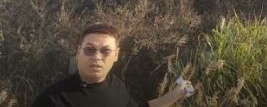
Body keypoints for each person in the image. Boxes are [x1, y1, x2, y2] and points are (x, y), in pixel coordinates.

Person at [31, 23, 194, 107]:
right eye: (89, 50)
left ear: (116, 55)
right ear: (78, 52)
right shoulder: (52, 99)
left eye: (105, 51)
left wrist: (176, 93)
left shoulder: (115, 85)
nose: (97, 57)